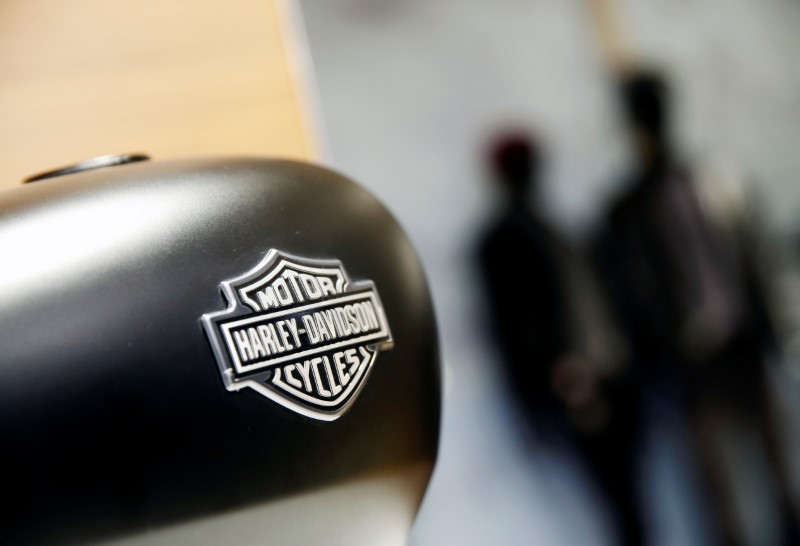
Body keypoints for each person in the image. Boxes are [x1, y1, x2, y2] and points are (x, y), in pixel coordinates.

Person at [593, 69, 798, 545]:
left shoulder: (712, 181)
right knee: (716, 482)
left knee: (777, 459)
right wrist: (663, 350)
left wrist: (770, 322)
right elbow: (630, 292)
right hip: (690, 360)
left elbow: (752, 256)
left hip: (743, 340)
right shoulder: (625, 211)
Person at [477, 132, 645, 545]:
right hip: (578, 385)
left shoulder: (548, 227)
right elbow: (517, 328)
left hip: (603, 376)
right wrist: (559, 377)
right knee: (618, 500)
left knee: (628, 497)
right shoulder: (507, 239)